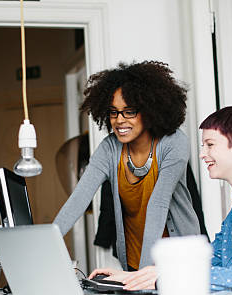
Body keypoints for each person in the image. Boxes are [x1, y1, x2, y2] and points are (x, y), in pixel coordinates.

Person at [98, 106, 232, 295]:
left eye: (210, 145)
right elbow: (211, 259)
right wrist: (136, 276)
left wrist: (169, 275)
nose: (202, 154)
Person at [54, 61, 200, 283]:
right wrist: (47, 243)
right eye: (113, 113)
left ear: (149, 110)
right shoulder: (109, 149)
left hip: (178, 259)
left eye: (129, 112)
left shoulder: (174, 143)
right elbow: (79, 199)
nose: (119, 120)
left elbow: (158, 204)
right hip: (134, 261)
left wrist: (142, 276)